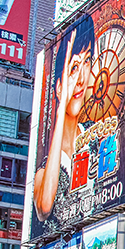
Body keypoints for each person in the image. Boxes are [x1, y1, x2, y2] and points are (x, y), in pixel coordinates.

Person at [33, 17, 96, 232]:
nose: (80, 79)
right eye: (73, 67)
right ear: (58, 86)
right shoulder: (45, 167)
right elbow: (44, 208)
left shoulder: (97, 135)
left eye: (87, 61)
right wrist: (61, 110)